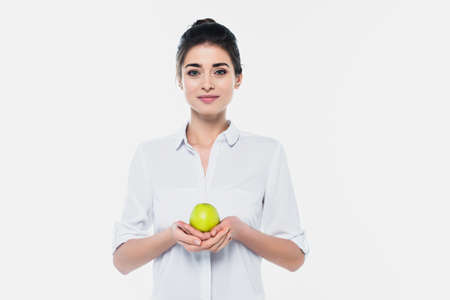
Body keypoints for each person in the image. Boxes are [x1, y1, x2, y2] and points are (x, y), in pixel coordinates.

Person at [112, 18, 310, 300]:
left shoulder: (267, 153)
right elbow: (122, 260)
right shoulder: (150, 156)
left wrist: (241, 231)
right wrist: (171, 236)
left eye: (219, 71)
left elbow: (294, 257)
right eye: (194, 72)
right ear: (180, 80)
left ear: (237, 78)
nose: (207, 84)